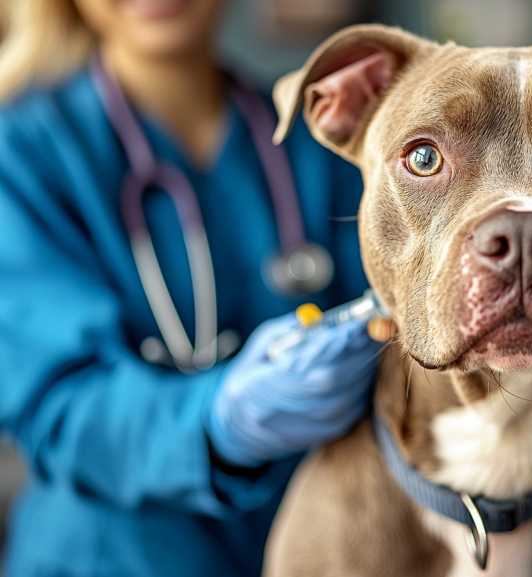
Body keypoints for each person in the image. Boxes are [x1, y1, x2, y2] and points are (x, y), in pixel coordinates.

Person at [0, 1, 385, 575]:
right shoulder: (24, 153)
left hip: (325, 542)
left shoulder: (327, 139)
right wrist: (218, 420)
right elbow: (55, 400)